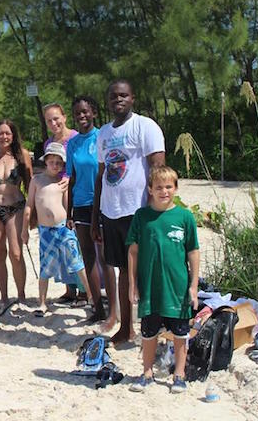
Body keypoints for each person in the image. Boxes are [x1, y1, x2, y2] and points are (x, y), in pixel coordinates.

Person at [91, 79, 165, 344]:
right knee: (123, 270)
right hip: (111, 213)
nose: (118, 100)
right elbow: (101, 175)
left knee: (146, 271)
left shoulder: (145, 127)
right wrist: (95, 216)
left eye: (123, 95)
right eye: (113, 96)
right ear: (108, 101)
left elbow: (158, 170)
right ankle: (126, 327)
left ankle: (152, 327)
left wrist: (154, 212)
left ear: (133, 98)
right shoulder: (104, 134)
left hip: (139, 212)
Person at [128, 166, 199, 394]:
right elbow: (133, 252)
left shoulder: (185, 217)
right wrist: (132, 283)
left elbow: (193, 252)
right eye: (158, 187)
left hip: (177, 288)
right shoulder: (142, 216)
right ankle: (147, 372)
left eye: (169, 186)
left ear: (176, 189)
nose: (164, 191)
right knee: (148, 333)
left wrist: (194, 285)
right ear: (150, 189)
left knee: (180, 333)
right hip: (150, 288)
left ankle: (179, 375)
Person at [21, 142, 91, 317]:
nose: (55, 165)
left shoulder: (63, 181)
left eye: (59, 162)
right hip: (45, 231)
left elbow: (68, 206)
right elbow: (29, 205)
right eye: (52, 161)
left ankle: (91, 296)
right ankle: (42, 302)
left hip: (63, 229)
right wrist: (25, 228)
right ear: (45, 161)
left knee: (77, 264)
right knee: (45, 268)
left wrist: (71, 221)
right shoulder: (37, 181)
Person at [65, 95, 106, 322]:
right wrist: (69, 212)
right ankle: (97, 306)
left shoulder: (102, 136)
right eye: (77, 113)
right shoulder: (72, 143)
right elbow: (71, 178)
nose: (82, 116)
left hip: (103, 204)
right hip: (81, 204)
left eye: (85, 112)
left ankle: (116, 304)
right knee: (88, 256)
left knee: (107, 257)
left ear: (94, 113)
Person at [0, 119, 33, 304]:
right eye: (0, 133)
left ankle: (21, 295)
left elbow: (30, 183)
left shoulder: (22, 155)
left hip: (16, 207)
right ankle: (4, 296)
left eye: (8, 133)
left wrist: (32, 211)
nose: (4, 137)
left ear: (13, 136)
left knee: (16, 253)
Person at [43, 102, 82, 304]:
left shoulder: (76, 137)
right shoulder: (48, 143)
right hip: (57, 196)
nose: (53, 122)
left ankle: (85, 290)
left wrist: (71, 178)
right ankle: (70, 289)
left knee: (75, 244)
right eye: (49, 120)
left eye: (56, 118)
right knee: (61, 245)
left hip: (76, 192)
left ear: (64, 117)